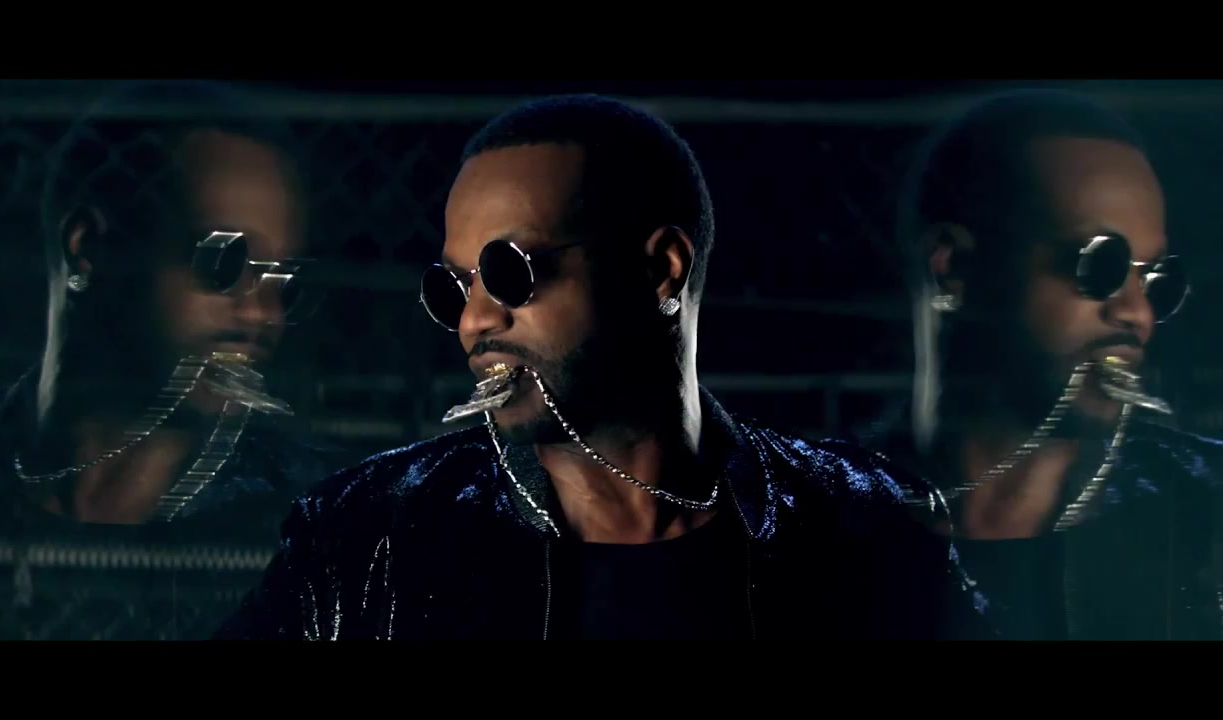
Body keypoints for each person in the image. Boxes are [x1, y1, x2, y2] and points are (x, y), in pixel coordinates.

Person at [216, 94, 988, 641]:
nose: (475, 321)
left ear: (661, 270)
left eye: (512, 271)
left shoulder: (867, 529)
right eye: (452, 288)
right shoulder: (366, 539)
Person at [0, 80, 351, 639]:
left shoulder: (323, 525)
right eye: (224, 261)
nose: (264, 314)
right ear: (87, 248)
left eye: (284, 281)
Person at [874, 88, 1221, 639]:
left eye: (1157, 280)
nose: (1137, 314)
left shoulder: (1204, 512)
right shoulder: (810, 521)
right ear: (954, 267)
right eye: (1099, 264)